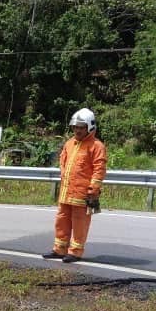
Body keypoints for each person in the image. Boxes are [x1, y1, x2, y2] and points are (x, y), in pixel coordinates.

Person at [42, 107, 106, 263]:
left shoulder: (97, 146)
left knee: (80, 222)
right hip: (66, 192)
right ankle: (59, 249)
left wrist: (93, 189)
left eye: (81, 127)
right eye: (75, 127)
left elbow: (99, 169)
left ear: (89, 127)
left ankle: (76, 252)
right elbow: (63, 162)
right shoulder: (70, 143)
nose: (77, 130)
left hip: (83, 194)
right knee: (61, 220)